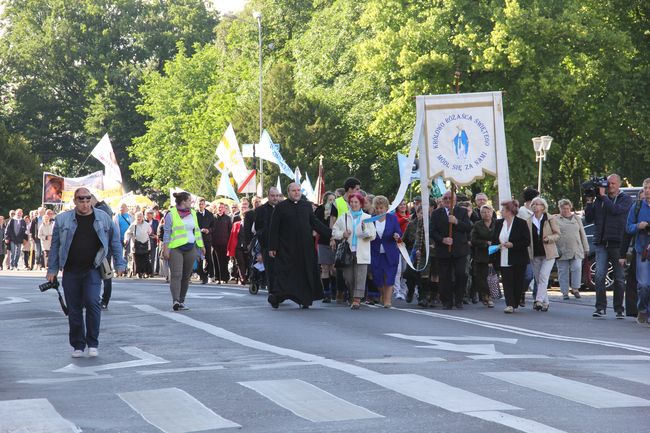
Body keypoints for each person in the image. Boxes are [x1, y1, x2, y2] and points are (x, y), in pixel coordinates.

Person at [46, 187, 126, 357]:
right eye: (81, 199)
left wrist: (120, 263)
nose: (84, 203)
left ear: (91, 200)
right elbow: (55, 247)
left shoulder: (103, 218)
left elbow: (115, 241)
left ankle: (93, 342)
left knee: (92, 302)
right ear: (75, 201)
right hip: (71, 269)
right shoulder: (62, 220)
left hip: (93, 268)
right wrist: (52, 269)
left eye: (87, 199)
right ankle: (78, 345)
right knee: (74, 308)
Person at [268, 183, 331, 309]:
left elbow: (315, 223)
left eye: (298, 190)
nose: (296, 193)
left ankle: (305, 299)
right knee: (285, 275)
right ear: (288, 192)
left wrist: (331, 233)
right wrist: (272, 247)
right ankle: (276, 297)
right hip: (287, 249)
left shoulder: (306, 206)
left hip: (305, 248)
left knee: (305, 273)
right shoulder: (280, 207)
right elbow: (274, 228)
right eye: (293, 191)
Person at [585, 173, 633, 318]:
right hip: (601, 242)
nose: (609, 186)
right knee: (599, 276)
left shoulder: (626, 199)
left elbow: (615, 211)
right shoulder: (600, 200)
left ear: (619, 184)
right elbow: (588, 218)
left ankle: (619, 308)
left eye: (613, 183)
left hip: (618, 243)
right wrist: (589, 202)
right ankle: (600, 307)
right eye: (608, 183)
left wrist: (604, 197)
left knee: (619, 277)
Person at [161, 192, 205, 311]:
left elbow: (197, 231)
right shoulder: (171, 214)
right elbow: (167, 233)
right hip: (176, 248)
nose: (192, 202)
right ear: (183, 201)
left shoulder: (193, 213)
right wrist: (166, 249)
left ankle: (181, 300)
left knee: (186, 276)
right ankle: (175, 300)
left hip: (190, 248)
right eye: (190, 200)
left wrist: (201, 246)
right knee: (176, 275)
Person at [331, 192, 375, 309]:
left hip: (362, 251)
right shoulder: (344, 216)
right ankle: (352, 294)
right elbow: (334, 231)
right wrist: (343, 234)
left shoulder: (367, 218)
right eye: (351, 202)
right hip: (348, 251)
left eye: (356, 202)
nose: (354, 204)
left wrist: (367, 234)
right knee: (349, 277)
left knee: (360, 276)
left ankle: (357, 299)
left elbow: (373, 234)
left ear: (361, 204)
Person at [430, 191, 473, 309]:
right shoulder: (436, 213)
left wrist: (457, 221)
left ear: (455, 200)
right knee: (444, 276)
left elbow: (468, 227)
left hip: (460, 249)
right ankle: (446, 301)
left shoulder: (462, 211)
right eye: (445, 198)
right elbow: (432, 231)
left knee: (461, 274)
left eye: (450, 198)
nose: (448, 200)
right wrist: (442, 239)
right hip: (443, 250)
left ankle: (458, 298)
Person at [493, 200, 531, 313]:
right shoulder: (499, 223)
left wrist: (513, 244)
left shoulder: (521, 223)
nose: (501, 211)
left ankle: (516, 301)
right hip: (503, 256)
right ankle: (509, 304)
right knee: (507, 281)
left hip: (518, 257)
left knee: (518, 281)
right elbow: (494, 238)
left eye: (503, 210)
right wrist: (497, 246)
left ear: (510, 211)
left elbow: (526, 241)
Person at [526, 197, 560, 312]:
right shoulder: (529, 220)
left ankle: (538, 300)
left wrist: (549, 238)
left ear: (543, 206)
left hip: (548, 253)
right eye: (534, 204)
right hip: (535, 253)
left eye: (538, 204)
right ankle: (546, 302)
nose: (535, 206)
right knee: (539, 278)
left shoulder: (550, 218)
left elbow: (557, 234)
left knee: (544, 276)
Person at [369, 195, 401, 308]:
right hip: (375, 253)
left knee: (389, 276)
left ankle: (387, 300)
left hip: (390, 253)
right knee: (378, 276)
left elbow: (398, 231)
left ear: (386, 208)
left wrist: (397, 235)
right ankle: (382, 293)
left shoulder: (392, 218)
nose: (379, 210)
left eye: (381, 208)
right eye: (377, 208)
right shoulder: (370, 219)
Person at [554, 199, 589, 300]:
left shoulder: (576, 218)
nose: (565, 210)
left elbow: (582, 233)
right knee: (563, 271)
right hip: (562, 249)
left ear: (570, 208)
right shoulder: (556, 219)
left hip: (576, 248)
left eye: (567, 208)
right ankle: (564, 291)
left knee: (577, 268)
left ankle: (575, 289)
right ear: (559, 208)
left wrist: (586, 247)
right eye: (563, 208)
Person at [627, 178, 650, 326]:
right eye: (646, 188)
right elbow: (628, 227)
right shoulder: (637, 206)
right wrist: (638, 226)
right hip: (642, 251)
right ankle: (642, 308)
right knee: (643, 284)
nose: (647, 191)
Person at [255, 187, 281, 294]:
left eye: (277, 196)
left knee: (280, 270)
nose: (275, 198)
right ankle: (273, 293)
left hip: (282, 245)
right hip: (267, 245)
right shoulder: (260, 210)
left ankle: (281, 291)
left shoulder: (283, 208)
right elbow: (258, 228)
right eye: (273, 196)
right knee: (270, 271)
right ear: (268, 196)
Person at [471, 204, 495, 307]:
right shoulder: (477, 224)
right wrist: (485, 243)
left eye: (488, 212)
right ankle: (486, 296)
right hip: (481, 254)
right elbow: (473, 240)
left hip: (495, 253)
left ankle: (490, 294)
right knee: (481, 277)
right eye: (483, 212)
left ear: (492, 212)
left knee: (492, 277)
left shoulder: (497, 224)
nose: (486, 214)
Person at [314, 191, 336, 303]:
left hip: (334, 241)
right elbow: (315, 224)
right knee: (325, 267)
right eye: (330, 200)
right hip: (323, 241)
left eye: (334, 200)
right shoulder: (320, 210)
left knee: (334, 268)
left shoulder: (336, 210)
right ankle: (326, 293)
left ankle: (335, 290)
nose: (332, 202)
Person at [124, 211, 152, 279]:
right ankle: (138, 272)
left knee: (145, 259)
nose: (139, 219)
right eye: (137, 217)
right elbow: (128, 233)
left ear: (142, 217)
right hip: (135, 245)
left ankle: (145, 272)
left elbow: (150, 231)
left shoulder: (147, 224)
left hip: (145, 244)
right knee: (137, 260)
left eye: (140, 217)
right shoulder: (133, 225)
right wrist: (126, 239)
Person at [211, 201, 232, 284]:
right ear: (216, 208)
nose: (220, 209)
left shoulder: (227, 218)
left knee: (224, 262)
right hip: (215, 244)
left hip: (225, 244)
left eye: (222, 207)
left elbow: (230, 231)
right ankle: (217, 278)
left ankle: (224, 278)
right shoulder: (213, 218)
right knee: (216, 261)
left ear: (224, 209)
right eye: (219, 207)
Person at [196, 198, 215, 284]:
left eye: (202, 204)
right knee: (199, 259)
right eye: (199, 204)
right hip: (198, 239)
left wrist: (208, 230)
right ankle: (202, 276)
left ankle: (209, 275)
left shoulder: (210, 214)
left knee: (208, 258)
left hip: (207, 239)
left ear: (205, 205)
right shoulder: (195, 215)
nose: (201, 205)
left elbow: (214, 227)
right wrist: (199, 230)